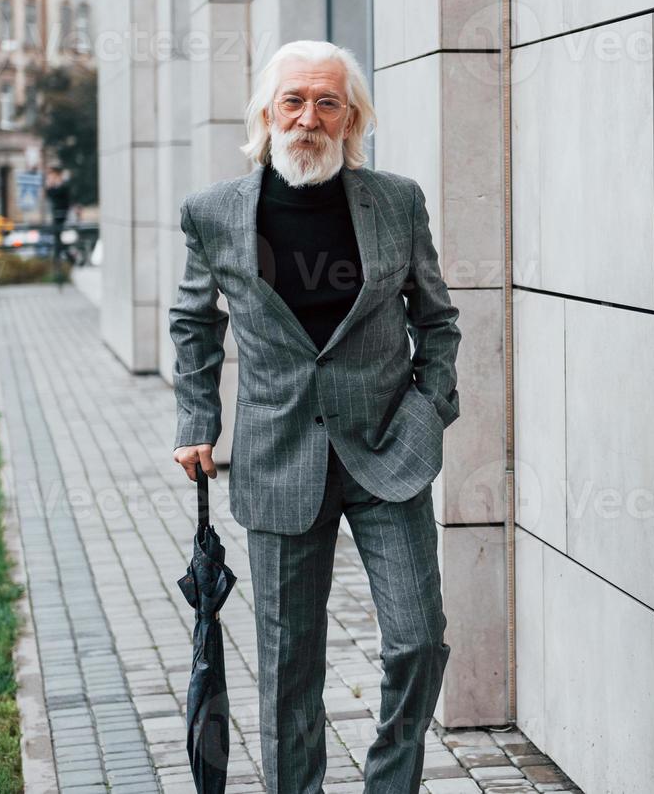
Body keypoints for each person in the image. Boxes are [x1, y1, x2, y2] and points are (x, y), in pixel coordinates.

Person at [168, 40, 461, 794]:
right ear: (267, 114)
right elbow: (195, 323)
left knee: (419, 642)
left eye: (327, 102)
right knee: (289, 664)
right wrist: (196, 418)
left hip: (388, 450)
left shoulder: (395, 201)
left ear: (352, 117)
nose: (309, 118)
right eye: (293, 101)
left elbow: (437, 319)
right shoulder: (213, 214)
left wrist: (430, 410)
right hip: (279, 457)